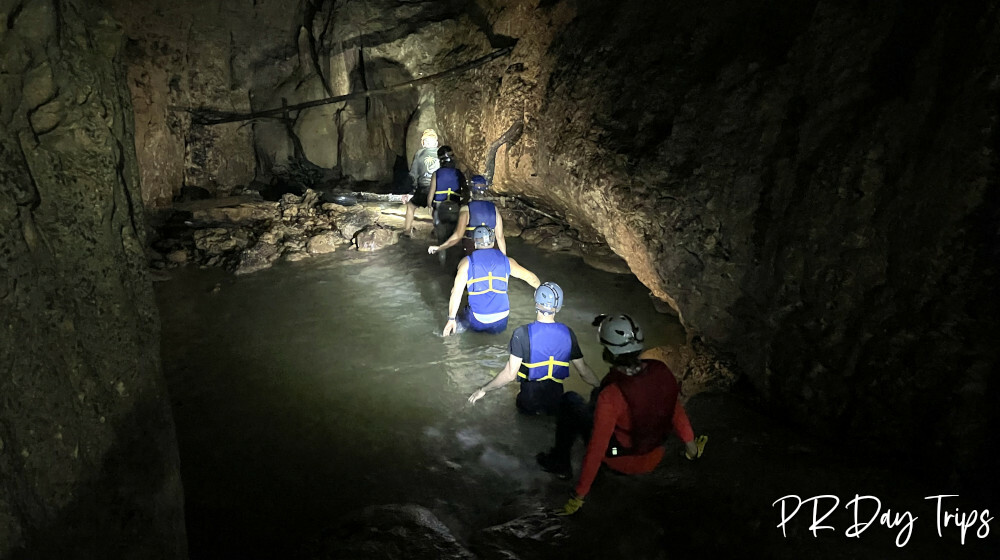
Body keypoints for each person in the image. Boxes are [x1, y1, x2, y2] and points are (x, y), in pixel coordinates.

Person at [536, 313, 709, 516]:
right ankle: (567, 459)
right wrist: (692, 448)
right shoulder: (660, 370)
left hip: (621, 460)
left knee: (570, 400)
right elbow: (676, 411)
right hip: (655, 454)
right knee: (595, 393)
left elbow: (597, 448)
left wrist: (578, 496)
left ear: (609, 351)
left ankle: (560, 463)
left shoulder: (612, 394)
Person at [467, 282, 601, 415]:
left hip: (528, 403)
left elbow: (509, 375)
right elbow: (584, 372)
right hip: (555, 403)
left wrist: (484, 389)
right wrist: (601, 388)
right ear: (558, 306)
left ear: (536, 303)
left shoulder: (522, 333)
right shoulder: (568, 333)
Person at [443, 226, 539, 336]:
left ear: (474, 243)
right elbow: (530, 278)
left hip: (477, 319)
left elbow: (456, 292)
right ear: (493, 241)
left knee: (460, 322)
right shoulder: (507, 261)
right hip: (501, 319)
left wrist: (451, 318)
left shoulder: (467, 263)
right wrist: (540, 289)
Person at [428, 175, 507, 256]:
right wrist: (504, 257)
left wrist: (440, 247)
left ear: (470, 190)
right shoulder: (494, 209)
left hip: (473, 249)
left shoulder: (466, 209)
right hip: (491, 249)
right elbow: (500, 237)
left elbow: (458, 236)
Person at [402, 129, 441, 236]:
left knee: (411, 206)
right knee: (435, 207)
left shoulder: (419, 153)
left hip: (423, 188)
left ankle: (407, 231)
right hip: (438, 189)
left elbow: (413, 174)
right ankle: (437, 230)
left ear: (423, 143)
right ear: (436, 143)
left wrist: (408, 191)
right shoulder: (441, 154)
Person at [427, 146, 466, 247]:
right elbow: (466, 192)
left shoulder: (436, 174)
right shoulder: (459, 173)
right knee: (456, 234)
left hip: (440, 207)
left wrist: (429, 205)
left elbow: (431, 192)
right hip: (454, 206)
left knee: (440, 237)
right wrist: (462, 204)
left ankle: (441, 253)